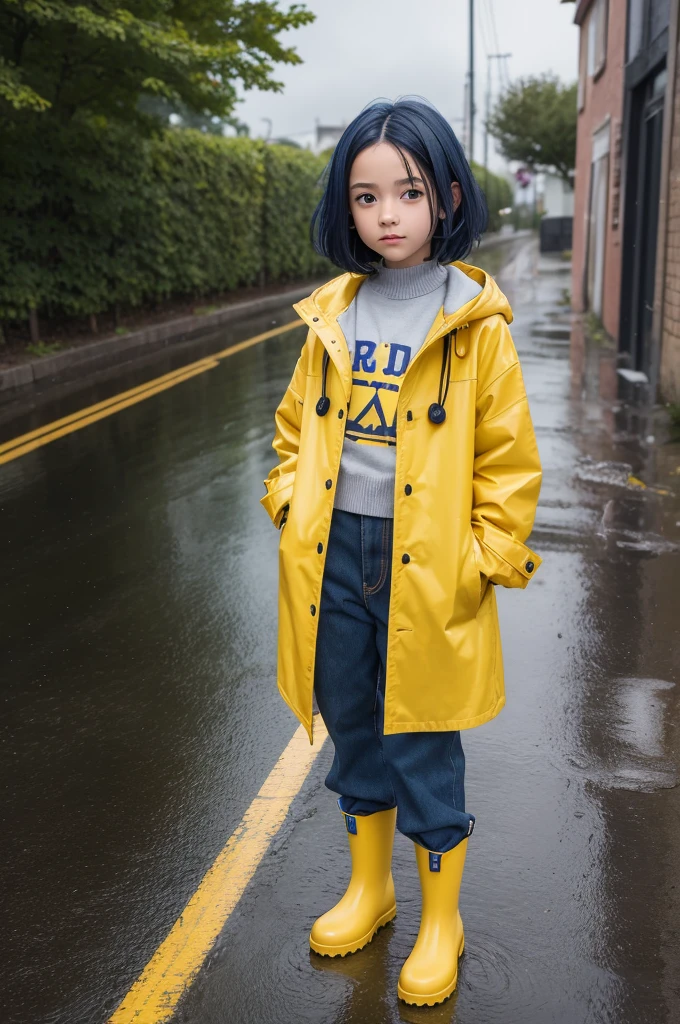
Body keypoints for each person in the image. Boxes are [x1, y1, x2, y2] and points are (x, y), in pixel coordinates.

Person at [260, 96, 542, 1008]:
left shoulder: (476, 325)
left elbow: (507, 461)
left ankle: (441, 919)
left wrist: (483, 557)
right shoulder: (332, 315)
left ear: (447, 197)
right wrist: (286, 500)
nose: (387, 214)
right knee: (353, 717)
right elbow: (295, 432)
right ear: (346, 209)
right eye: (366, 195)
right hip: (336, 551)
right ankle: (371, 889)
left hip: (430, 560)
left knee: (423, 735)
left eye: (408, 192)